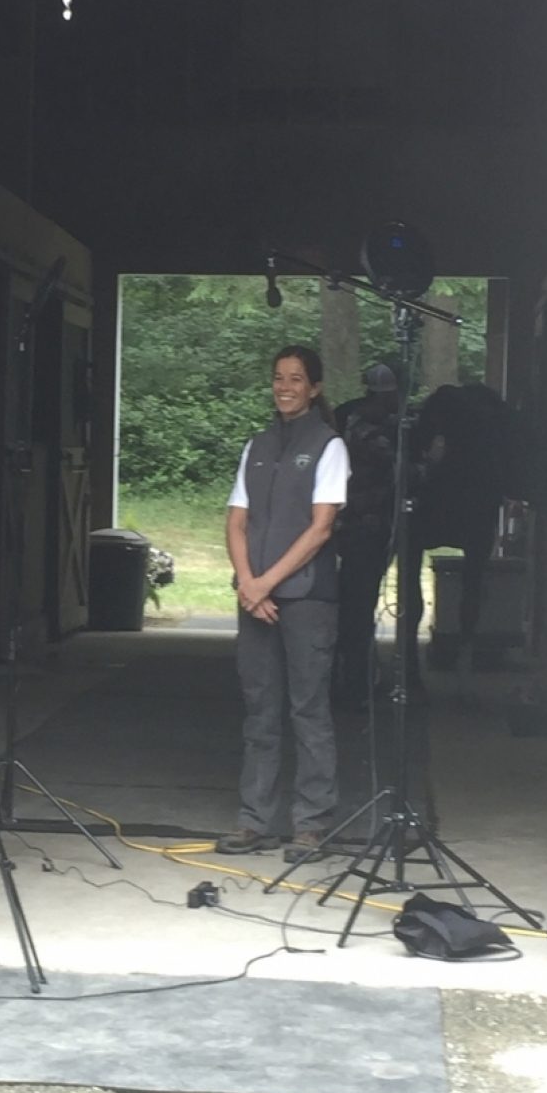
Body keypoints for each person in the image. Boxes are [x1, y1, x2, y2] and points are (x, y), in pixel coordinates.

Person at [215, 345, 350, 861]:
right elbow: (235, 521)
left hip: (306, 597)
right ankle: (256, 821)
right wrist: (248, 582)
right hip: (257, 597)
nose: (285, 386)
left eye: (296, 378)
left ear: (314, 388)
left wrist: (265, 581)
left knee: (308, 710)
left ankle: (310, 825)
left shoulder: (328, 445)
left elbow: (321, 528)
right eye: (278, 377)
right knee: (260, 710)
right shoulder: (259, 444)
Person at [333, 364, 399, 707]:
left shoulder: (355, 420)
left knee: (354, 605)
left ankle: (348, 679)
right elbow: (401, 473)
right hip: (362, 529)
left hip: (358, 526)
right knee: (357, 608)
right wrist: (432, 462)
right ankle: (354, 685)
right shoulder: (371, 430)